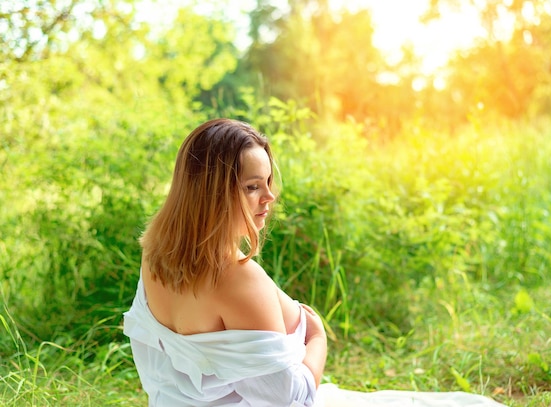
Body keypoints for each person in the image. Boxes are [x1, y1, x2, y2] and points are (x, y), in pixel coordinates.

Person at [123, 118, 507, 407]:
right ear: (209, 192)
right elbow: (292, 399)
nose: (269, 197)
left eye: (268, 182)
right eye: (252, 186)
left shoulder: (156, 257)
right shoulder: (238, 279)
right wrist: (317, 335)